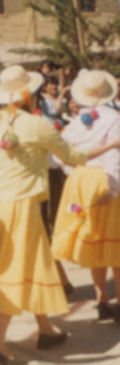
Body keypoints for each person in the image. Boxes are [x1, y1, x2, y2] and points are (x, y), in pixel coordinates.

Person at [0, 65, 120, 365]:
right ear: (32, 95)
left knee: (34, 265)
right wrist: (112, 145)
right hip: (21, 206)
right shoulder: (38, 126)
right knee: (15, 270)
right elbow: (74, 157)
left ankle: (46, 329)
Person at [51, 70, 120, 322]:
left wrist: (74, 171)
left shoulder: (77, 121)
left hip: (80, 180)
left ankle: (102, 299)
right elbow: (115, 155)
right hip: (105, 177)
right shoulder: (114, 118)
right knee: (114, 242)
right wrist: (112, 189)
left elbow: (60, 153)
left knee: (94, 239)